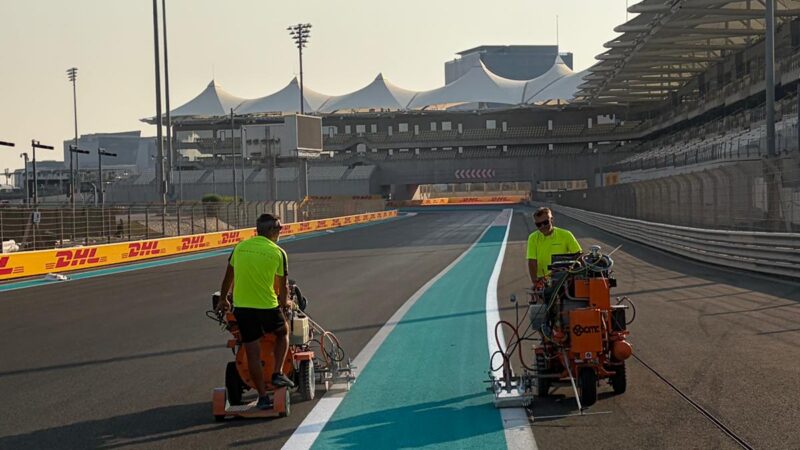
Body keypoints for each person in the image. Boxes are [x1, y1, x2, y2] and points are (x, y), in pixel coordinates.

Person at [217, 213, 295, 410]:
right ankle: (277, 373)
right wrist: (286, 303)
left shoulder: (240, 247)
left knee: (251, 350)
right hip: (267, 306)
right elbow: (284, 285)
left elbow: (228, 277)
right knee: (283, 332)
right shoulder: (278, 252)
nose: (280, 232)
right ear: (270, 231)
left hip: (242, 307)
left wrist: (223, 299)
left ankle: (262, 397)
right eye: (279, 228)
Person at [526, 207, 582, 285]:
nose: (542, 226)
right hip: (543, 280)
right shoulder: (533, 238)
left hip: (564, 278)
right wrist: (535, 281)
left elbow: (578, 255)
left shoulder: (566, 235)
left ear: (551, 219)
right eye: (538, 224)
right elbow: (532, 261)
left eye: (545, 222)